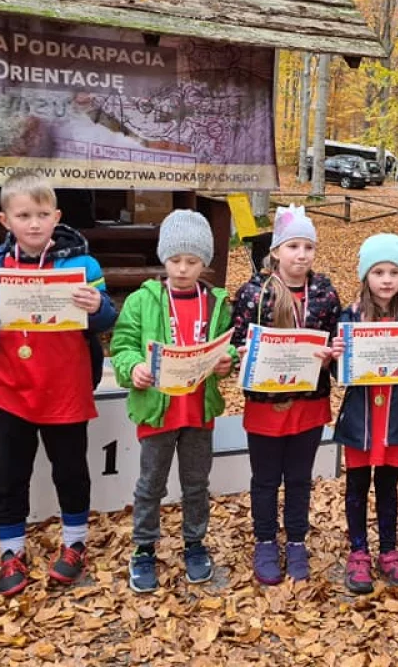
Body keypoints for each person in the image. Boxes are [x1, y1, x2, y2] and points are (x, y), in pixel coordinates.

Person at [0, 171, 117, 597]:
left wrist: (97, 304)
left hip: (66, 386)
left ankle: (74, 543)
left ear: (57, 216)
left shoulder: (83, 264)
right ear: (5, 219)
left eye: (42, 214)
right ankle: (12, 550)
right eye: (24, 214)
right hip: (10, 386)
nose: (34, 223)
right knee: (11, 473)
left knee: (71, 469)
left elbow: (107, 318)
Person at [111, 210, 235, 592]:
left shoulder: (216, 302)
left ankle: (195, 544)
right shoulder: (141, 301)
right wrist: (133, 369)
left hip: (198, 411)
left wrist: (223, 366)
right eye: (175, 260)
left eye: (192, 261)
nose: (182, 269)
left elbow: (225, 352)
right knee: (151, 484)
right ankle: (144, 549)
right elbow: (123, 346)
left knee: (196, 483)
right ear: (164, 258)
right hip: (157, 410)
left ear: (204, 263)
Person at [230, 205, 342, 585]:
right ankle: (264, 541)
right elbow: (235, 344)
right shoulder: (252, 293)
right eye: (293, 246)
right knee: (264, 479)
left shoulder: (325, 293)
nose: (302, 255)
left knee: (298, 478)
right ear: (276, 251)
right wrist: (242, 355)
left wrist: (333, 358)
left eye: (308, 247)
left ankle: (295, 541)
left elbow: (338, 342)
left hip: (309, 403)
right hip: (265, 404)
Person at [333, 234, 398, 594]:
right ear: (365, 276)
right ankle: (358, 552)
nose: (386, 279)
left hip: (396, 419)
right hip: (360, 420)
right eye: (378, 272)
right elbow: (335, 372)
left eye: (393, 272)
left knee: (388, 487)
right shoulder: (349, 315)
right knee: (357, 487)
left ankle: (388, 551)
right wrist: (338, 353)